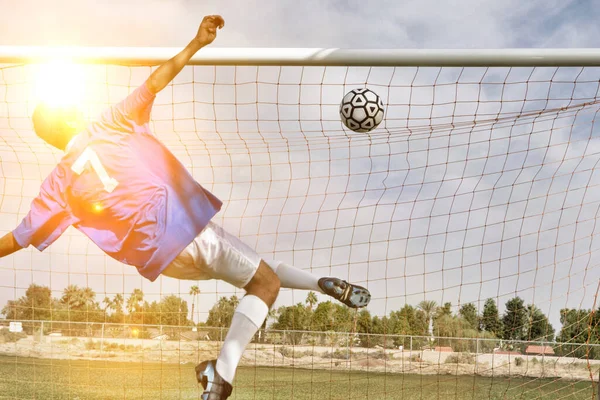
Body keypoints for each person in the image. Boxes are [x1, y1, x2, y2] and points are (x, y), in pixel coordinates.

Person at [0, 15, 370, 400]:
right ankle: (220, 374)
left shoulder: (57, 185)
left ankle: (319, 283)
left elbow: (18, 238)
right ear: (72, 115)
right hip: (187, 231)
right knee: (265, 284)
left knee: (255, 272)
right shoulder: (108, 123)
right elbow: (155, 82)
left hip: (161, 259)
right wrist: (196, 43)